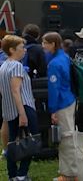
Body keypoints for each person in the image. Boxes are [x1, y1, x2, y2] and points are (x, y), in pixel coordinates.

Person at [0, 35, 39, 181]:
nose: (24, 51)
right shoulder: (17, 66)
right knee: (31, 140)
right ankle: (22, 173)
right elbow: (16, 90)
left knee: (12, 142)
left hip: (9, 109)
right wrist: (23, 114)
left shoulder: (3, 65)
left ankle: (12, 174)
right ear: (11, 49)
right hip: (23, 107)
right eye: (21, 48)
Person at [42, 32, 78, 181]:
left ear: (53, 44)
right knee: (68, 137)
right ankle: (67, 172)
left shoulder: (54, 64)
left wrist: (53, 109)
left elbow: (54, 89)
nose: (42, 46)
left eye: (45, 43)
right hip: (69, 99)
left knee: (66, 139)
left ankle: (69, 174)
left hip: (61, 103)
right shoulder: (64, 57)